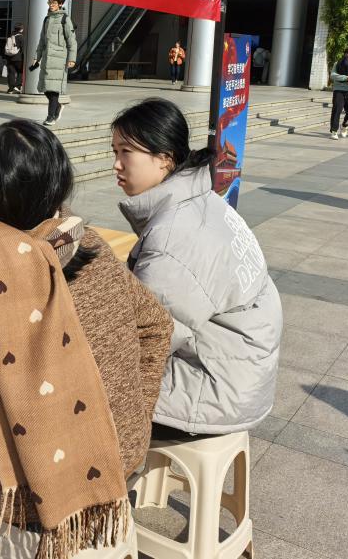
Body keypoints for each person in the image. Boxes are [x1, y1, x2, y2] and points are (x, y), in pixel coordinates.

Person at [0, 118, 172, 559]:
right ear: (59, 185)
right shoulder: (91, 246)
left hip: (25, 500)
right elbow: (157, 325)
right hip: (114, 458)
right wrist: (133, 407)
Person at [111, 98, 282, 435]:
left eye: (126, 152)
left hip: (213, 390)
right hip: (241, 371)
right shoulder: (203, 199)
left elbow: (145, 338)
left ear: (164, 158)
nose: (116, 164)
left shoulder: (173, 238)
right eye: (114, 151)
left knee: (75, 391)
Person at [32, 0, 77, 127]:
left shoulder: (65, 19)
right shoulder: (46, 19)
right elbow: (42, 41)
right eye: (49, 2)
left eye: (54, 3)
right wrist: (37, 57)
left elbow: (72, 41)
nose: (51, 5)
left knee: (53, 90)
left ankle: (51, 116)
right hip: (47, 59)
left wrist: (72, 59)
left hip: (59, 60)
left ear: (60, 4)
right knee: (45, 88)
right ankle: (58, 106)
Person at [329, 48, 348, 139]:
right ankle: (334, 131)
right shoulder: (338, 63)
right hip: (339, 90)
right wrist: (346, 77)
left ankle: (345, 125)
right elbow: (333, 75)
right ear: (347, 54)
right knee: (337, 110)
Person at [4, 23, 25, 94]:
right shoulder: (21, 37)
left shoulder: (10, 36)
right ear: (21, 29)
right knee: (20, 72)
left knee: (11, 73)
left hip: (9, 57)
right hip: (18, 58)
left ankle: (10, 88)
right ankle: (17, 87)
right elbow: (23, 48)